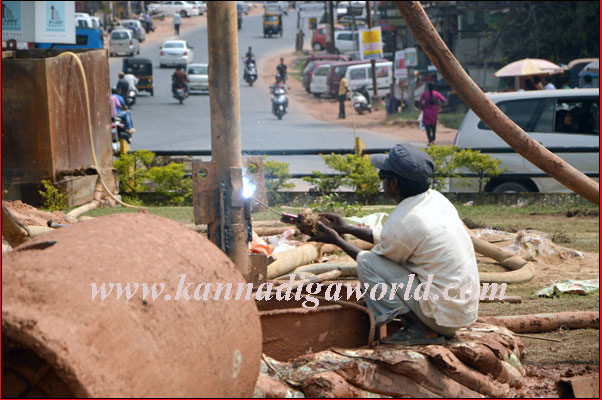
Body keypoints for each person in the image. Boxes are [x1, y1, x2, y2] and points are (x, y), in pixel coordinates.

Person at [308, 143, 479, 345]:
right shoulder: (436, 200)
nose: (382, 182)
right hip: (459, 313)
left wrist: (337, 240)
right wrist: (347, 229)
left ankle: (419, 328)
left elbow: (375, 262)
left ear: (394, 183)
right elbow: (394, 239)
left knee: (366, 263)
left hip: (440, 317)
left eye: (383, 176)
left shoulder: (404, 220)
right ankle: (423, 323)